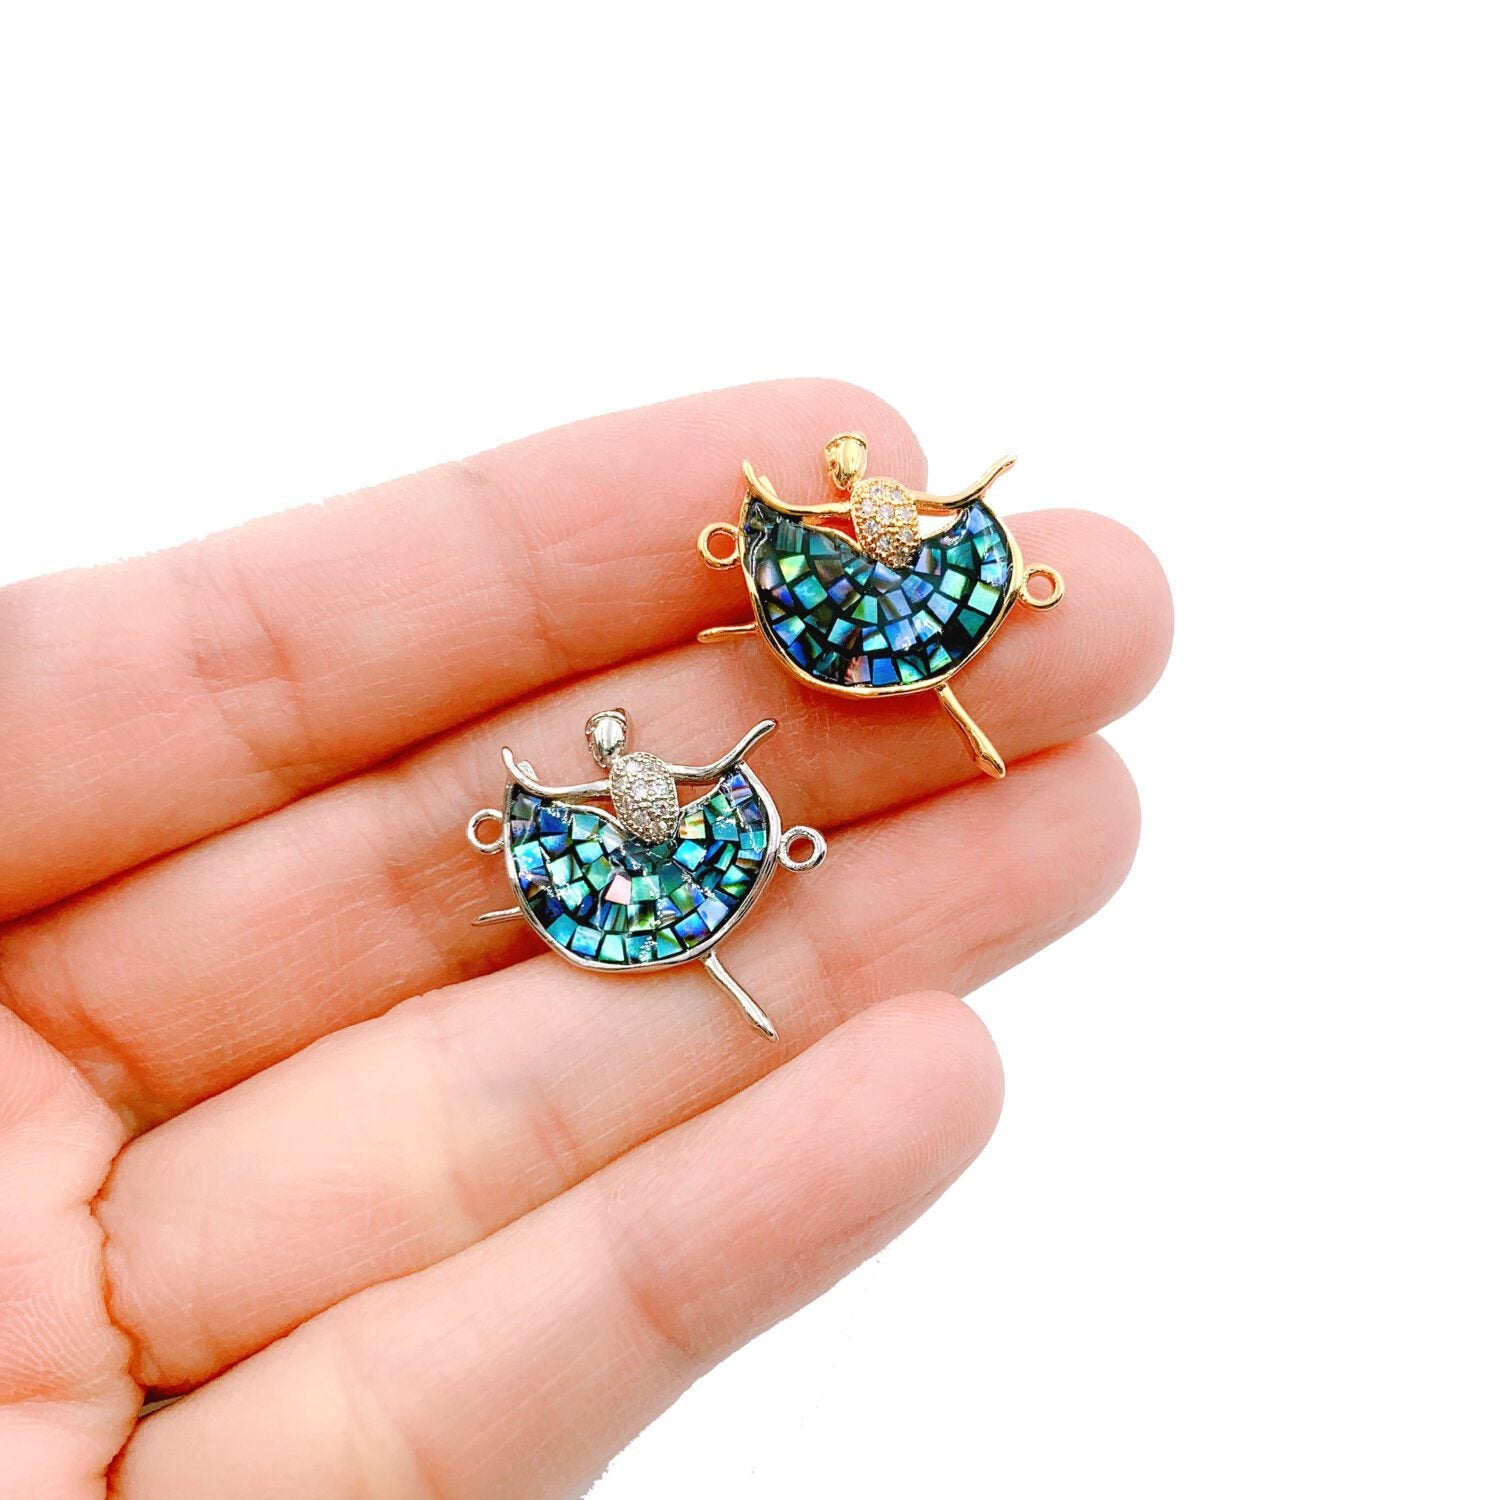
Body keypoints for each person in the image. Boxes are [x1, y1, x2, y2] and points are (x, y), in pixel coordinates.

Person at [0, 379, 1172, 1497]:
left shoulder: (747, 675)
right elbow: (650, 779)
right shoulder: (625, 779)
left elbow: (711, 758)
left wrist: (732, 751)